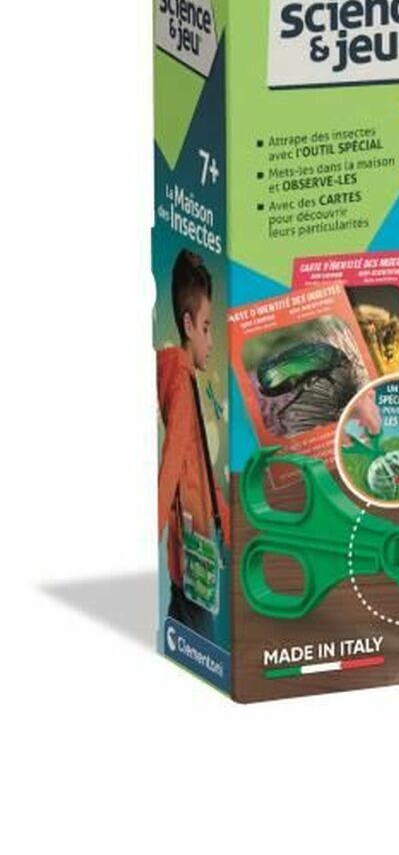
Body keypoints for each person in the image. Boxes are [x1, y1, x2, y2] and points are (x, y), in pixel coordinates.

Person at [157, 250, 230, 639]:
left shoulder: (182, 378)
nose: (211, 341)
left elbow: (197, 465)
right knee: (201, 640)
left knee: (181, 636)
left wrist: (227, 523)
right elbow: (172, 467)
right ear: (188, 325)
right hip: (194, 556)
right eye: (206, 327)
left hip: (192, 550)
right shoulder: (182, 386)